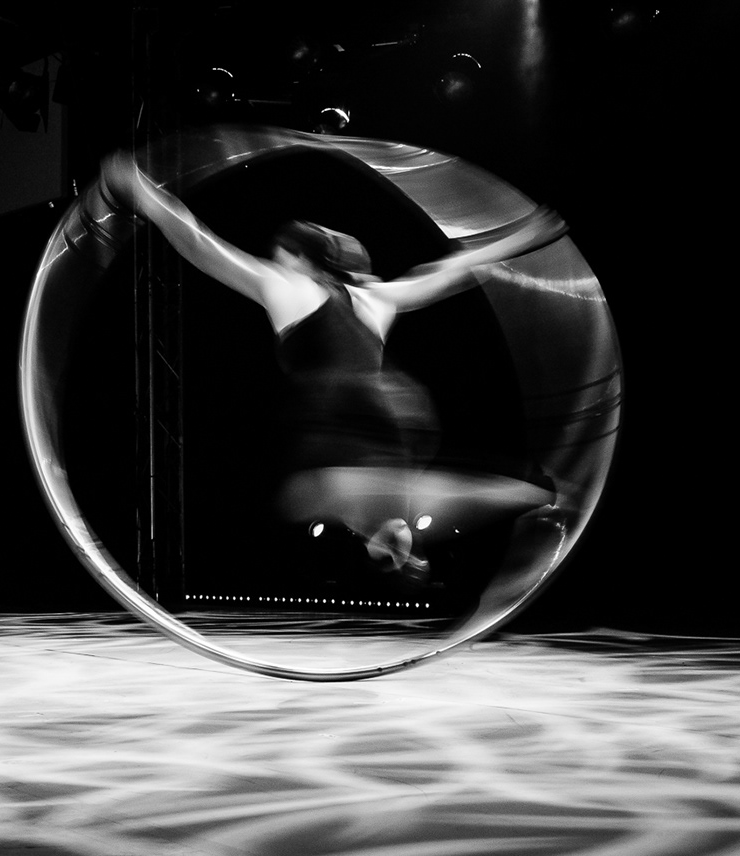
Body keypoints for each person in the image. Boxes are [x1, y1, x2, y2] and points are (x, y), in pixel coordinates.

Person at [99, 151, 563, 580]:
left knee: (309, 495)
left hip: (342, 420)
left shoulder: (289, 286)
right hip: (398, 418)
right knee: (355, 492)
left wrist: (139, 189)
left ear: (299, 258)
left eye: (279, 254)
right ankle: (459, 515)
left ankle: (468, 511)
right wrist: (520, 238)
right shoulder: (376, 297)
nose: (273, 261)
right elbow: (450, 272)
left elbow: (199, 242)